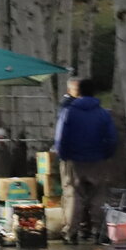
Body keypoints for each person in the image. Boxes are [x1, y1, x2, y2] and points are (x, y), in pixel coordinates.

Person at [55, 79, 118, 244]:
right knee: (98, 197)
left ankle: (71, 233)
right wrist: (105, 154)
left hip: (74, 161)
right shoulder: (103, 114)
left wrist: (64, 155)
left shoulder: (68, 112)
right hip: (97, 160)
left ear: (78, 92)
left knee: (73, 196)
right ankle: (100, 232)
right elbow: (111, 139)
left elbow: (60, 138)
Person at [56, 78, 81, 239]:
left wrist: (62, 154)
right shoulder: (96, 108)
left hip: (71, 156)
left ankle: (70, 230)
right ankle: (92, 229)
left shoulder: (66, 107)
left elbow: (61, 134)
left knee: (71, 193)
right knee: (92, 194)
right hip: (92, 158)